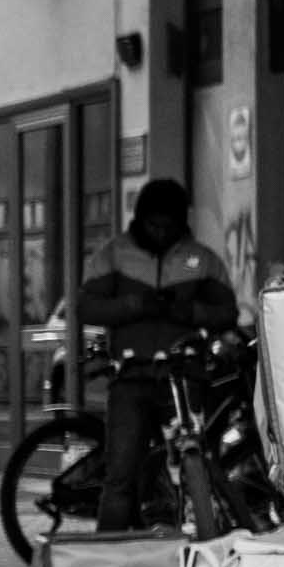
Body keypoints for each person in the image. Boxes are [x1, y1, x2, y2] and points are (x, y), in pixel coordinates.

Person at [75, 178, 238, 531]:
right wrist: (136, 305)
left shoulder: (202, 260)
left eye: (170, 225)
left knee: (194, 469)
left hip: (183, 377)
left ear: (182, 223)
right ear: (140, 219)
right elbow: (86, 307)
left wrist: (188, 313)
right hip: (131, 378)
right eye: (154, 224)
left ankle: (196, 550)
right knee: (120, 475)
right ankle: (112, 561)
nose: (162, 232)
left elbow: (227, 313)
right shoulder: (114, 254)